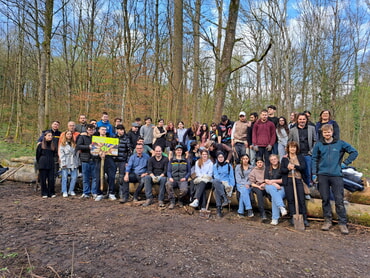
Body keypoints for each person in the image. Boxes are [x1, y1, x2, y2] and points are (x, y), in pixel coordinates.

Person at [312, 124, 358, 234]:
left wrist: (345, 163)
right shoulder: (319, 145)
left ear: (332, 132)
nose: (327, 134)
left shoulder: (340, 143)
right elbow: (314, 159)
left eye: (328, 132)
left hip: (336, 175)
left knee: (339, 199)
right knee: (325, 198)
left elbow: (354, 152)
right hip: (322, 175)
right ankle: (327, 220)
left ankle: (342, 223)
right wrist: (314, 173)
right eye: (325, 132)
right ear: (322, 134)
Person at [281, 141, 309, 227]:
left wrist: (295, 166)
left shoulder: (300, 157)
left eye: (294, 147)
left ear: (296, 149)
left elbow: (303, 167)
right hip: (289, 180)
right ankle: (293, 217)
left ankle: (304, 218)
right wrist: (288, 168)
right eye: (291, 147)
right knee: (291, 199)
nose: (292, 149)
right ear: (288, 148)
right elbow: (282, 170)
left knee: (301, 199)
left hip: (298, 179)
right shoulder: (285, 159)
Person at [288, 113, 316, 198]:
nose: (302, 121)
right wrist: (289, 153)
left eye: (304, 119)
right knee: (298, 173)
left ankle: (307, 191)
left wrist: (311, 151)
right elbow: (289, 142)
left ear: (306, 120)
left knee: (307, 173)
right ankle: (299, 191)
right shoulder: (293, 130)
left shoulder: (312, 128)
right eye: (300, 119)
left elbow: (315, 141)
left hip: (308, 154)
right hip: (297, 155)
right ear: (297, 120)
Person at [93, 126, 117, 201]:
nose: (104, 131)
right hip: (99, 160)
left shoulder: (110, 139)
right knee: (99, 177)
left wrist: (107, 152)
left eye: (105, 130)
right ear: (99, 130)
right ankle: (99, 193)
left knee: (112, 176)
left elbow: (114, 150)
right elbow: (93, 151)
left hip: (109, 160)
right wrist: (99, 154)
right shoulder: (95, 139)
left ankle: (111, 193)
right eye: (102, 129)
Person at [264, 154, 287, 225]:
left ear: (277, 159)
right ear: (270, 161)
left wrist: (274, 181)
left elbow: (284, 180)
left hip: (281, 188)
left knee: (275, 197)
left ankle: (275, 218)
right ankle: (281, 206)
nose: (273, 161)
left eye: (275, 159)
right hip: (269, 187)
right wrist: (274, 184)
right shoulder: (267, 168)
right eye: (272, 160)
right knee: (271, 189)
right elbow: (266, 180)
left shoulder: (282, 168)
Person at [166, 145, 191, 209]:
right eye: (177, 150)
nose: (179, 151)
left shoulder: (186, 160)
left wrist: (185, 178)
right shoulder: (171, 160)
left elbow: (189, 172)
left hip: (182, 179)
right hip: (173, 179)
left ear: (182, 151)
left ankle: (180, 200)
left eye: (180, 150)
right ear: (175, 151)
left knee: (184, 190)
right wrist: (170, 177)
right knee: (168, 184)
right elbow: (168, 171)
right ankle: (172, 201)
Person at [76, 124, 97, 198]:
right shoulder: (82, 137)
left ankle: (94, 192)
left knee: (95, 177)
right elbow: (78, 146)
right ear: (87, 130)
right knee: (85, 177)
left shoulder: (97, 138)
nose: (91, 131)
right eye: (89, 129)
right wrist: (88, 147)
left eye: (93, 129)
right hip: (85, 159)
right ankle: (86, 192)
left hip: (94, 159)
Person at [212, 152, 235, 218]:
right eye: (219, 157)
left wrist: (231, 185)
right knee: (215, 181)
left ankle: (218, 209)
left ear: (224, 158)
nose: (221, 159)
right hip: (219, 182)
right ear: (217, 158)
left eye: (222, 157)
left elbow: (231, 176)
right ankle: (225, 198)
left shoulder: (228, 165)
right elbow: (216, 175)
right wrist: (221, 181)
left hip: (226, 183)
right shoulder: (215, 166)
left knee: (217, 190)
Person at [36, 131, 57, 198]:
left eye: (51, 136)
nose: (50, 137)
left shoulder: (53, 145)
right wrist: (39, 163)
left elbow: (54, 154)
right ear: (45, 136)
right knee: (43, 179)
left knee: (51, 179)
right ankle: (44, 193)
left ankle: (51, 192)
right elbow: (37, 155)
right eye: (48, 135)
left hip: (51, 163)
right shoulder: (40, 145)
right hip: (43, 163)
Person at [114, 125, 132, 199]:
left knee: (122, 177)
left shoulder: (126, 139)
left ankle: (121, 193)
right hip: (114, 160)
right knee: (112, 177)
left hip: (122, 160)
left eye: (123, 130)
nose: (122, 131)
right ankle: (111, 192)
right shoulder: (113, 138)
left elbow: (129, 151)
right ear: (117, 130)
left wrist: (127, 161)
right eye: (120, 130)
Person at [59, 130, 79, 197]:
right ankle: (64, 190)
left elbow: (77, 153)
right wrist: (63, 162)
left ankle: (71, 190)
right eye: (68, 134)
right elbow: (61, 154)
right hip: (66, 161)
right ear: (65, 135)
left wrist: (77, 162)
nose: (69, 135)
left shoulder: (74, 143)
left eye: (70, 134)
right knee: (64, 177)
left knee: (74, 177)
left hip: (73, 161)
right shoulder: (62, 144)